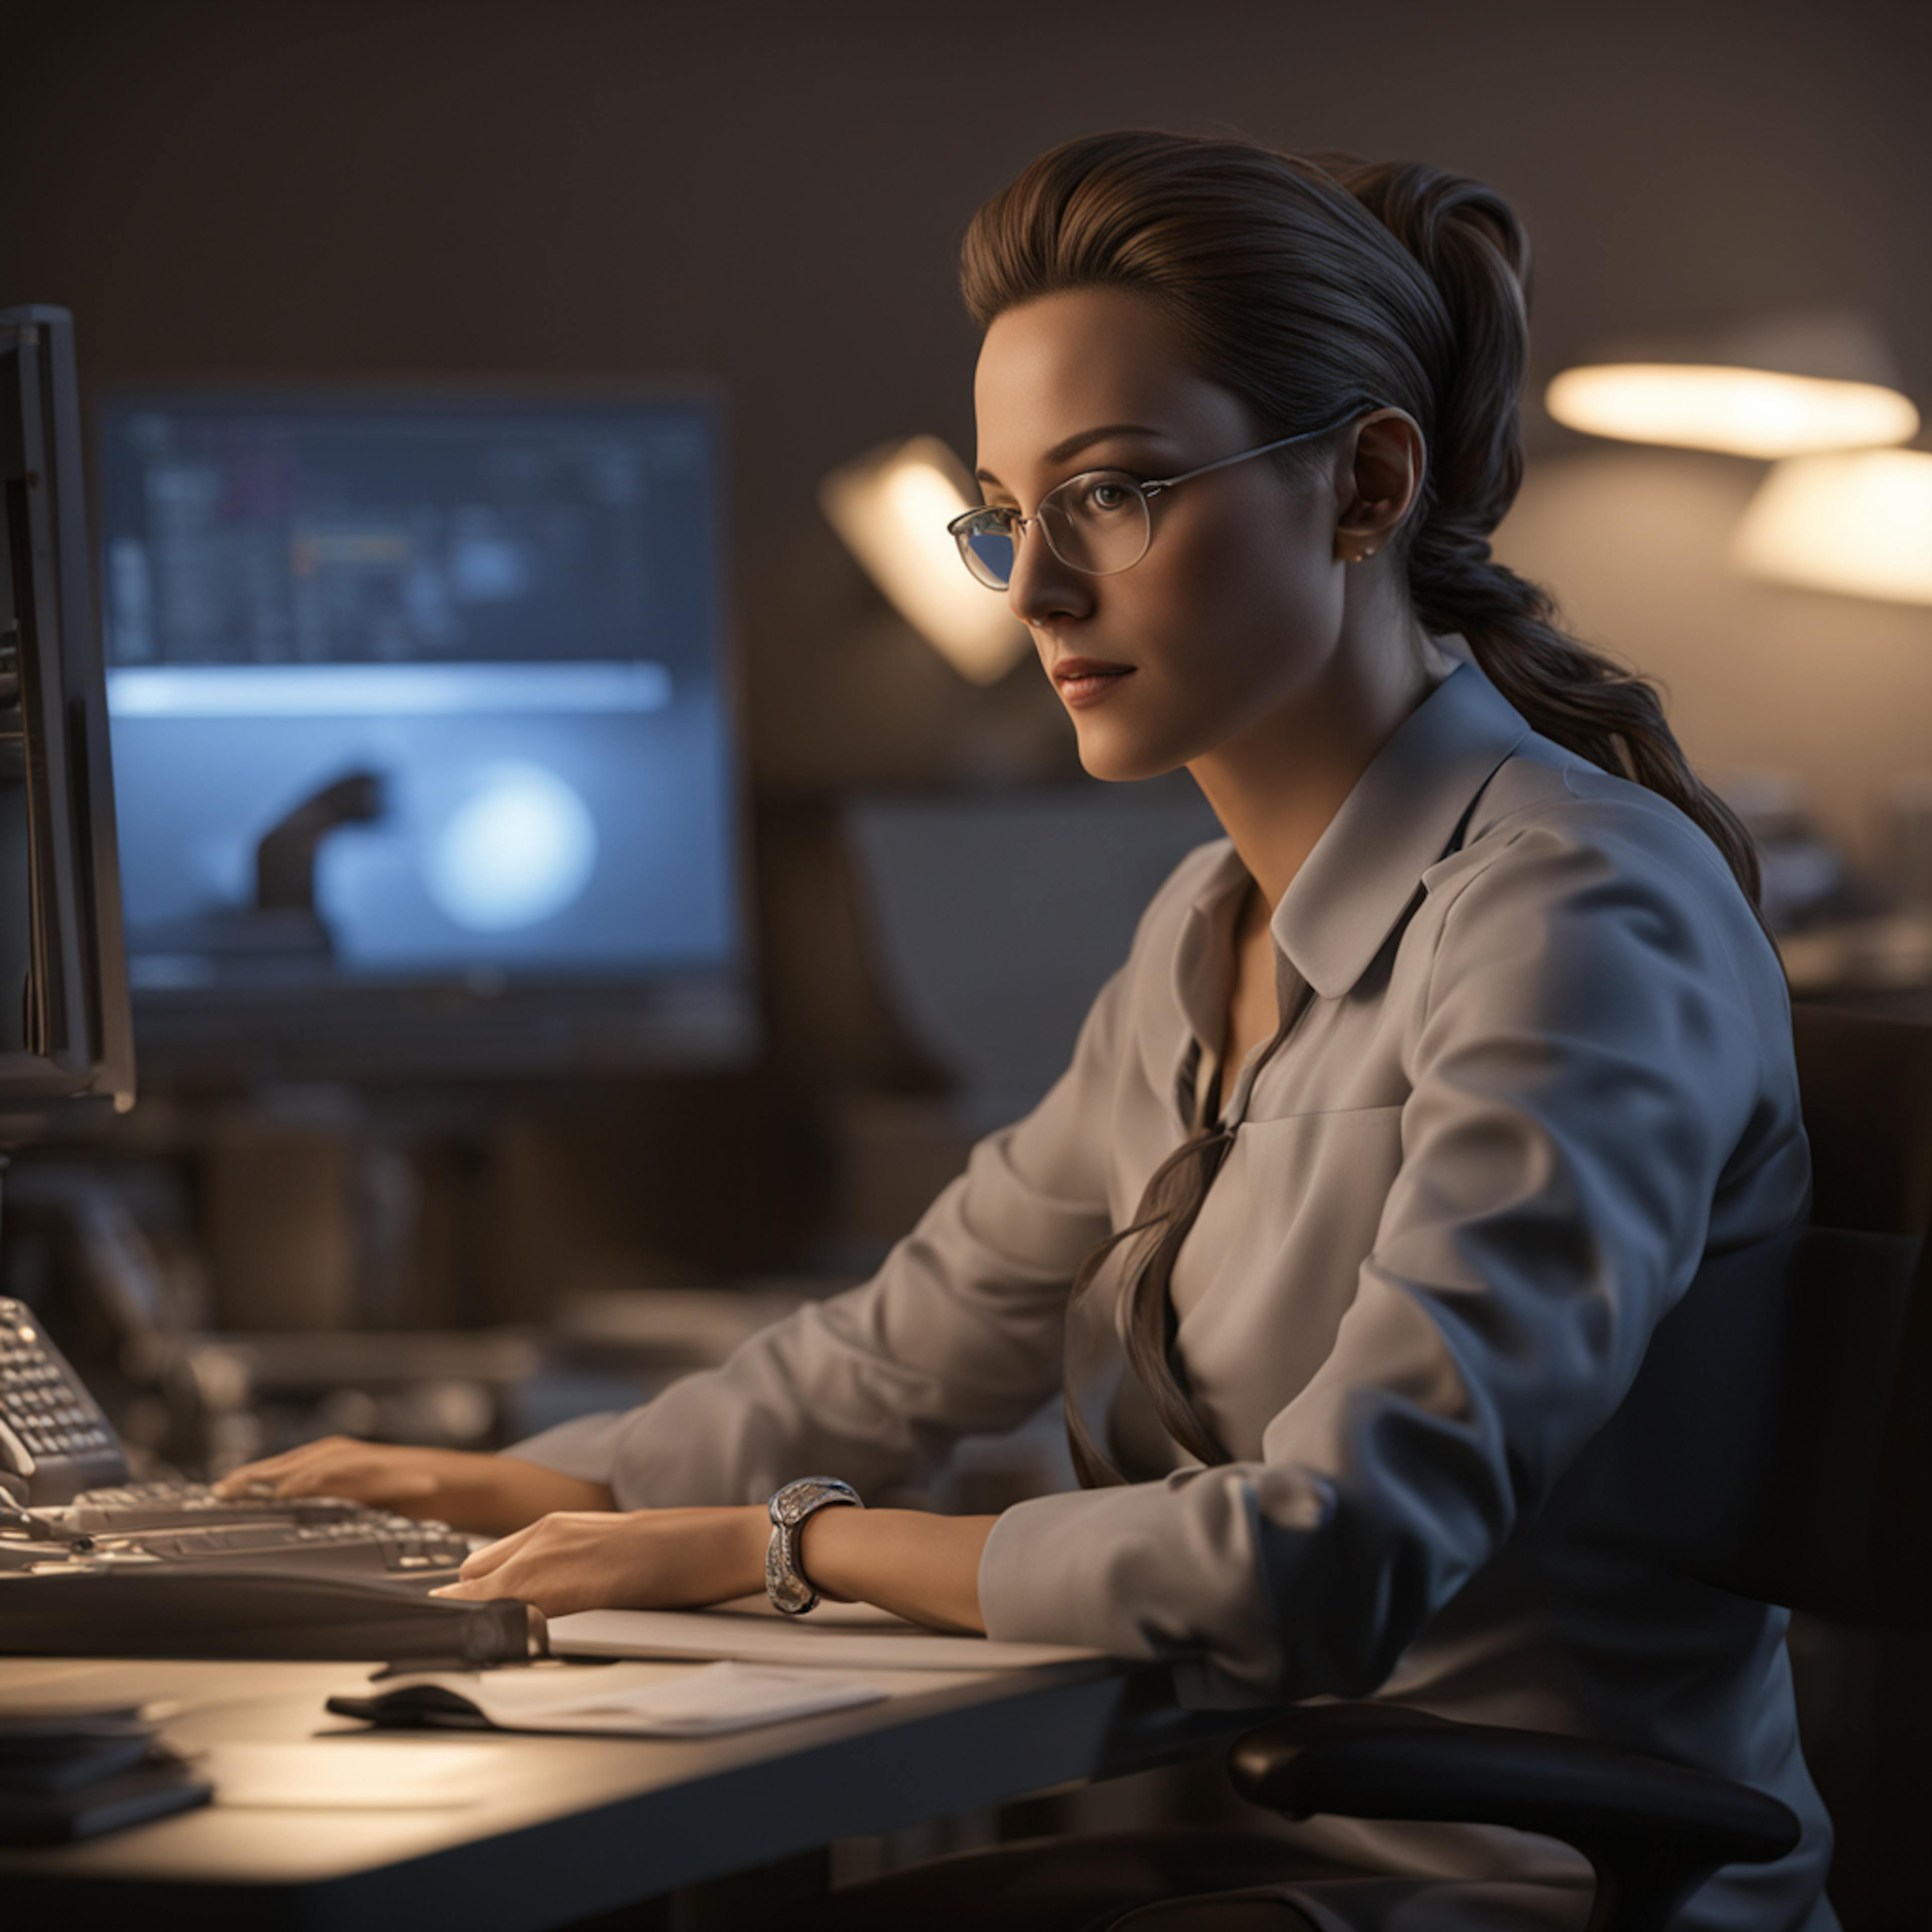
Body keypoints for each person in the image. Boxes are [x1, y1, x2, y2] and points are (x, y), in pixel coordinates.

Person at [218, 131, 1829, 1930]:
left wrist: (780, 1552)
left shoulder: (1576, 917)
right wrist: (513, 1485)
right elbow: (907, 1353)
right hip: (1249, 1846)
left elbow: (1331, 1556)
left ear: (1368, 483)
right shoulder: (1204, 933)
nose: (1032, 592)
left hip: (1507, 1895)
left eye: (1117, 493)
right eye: (1008, 513)